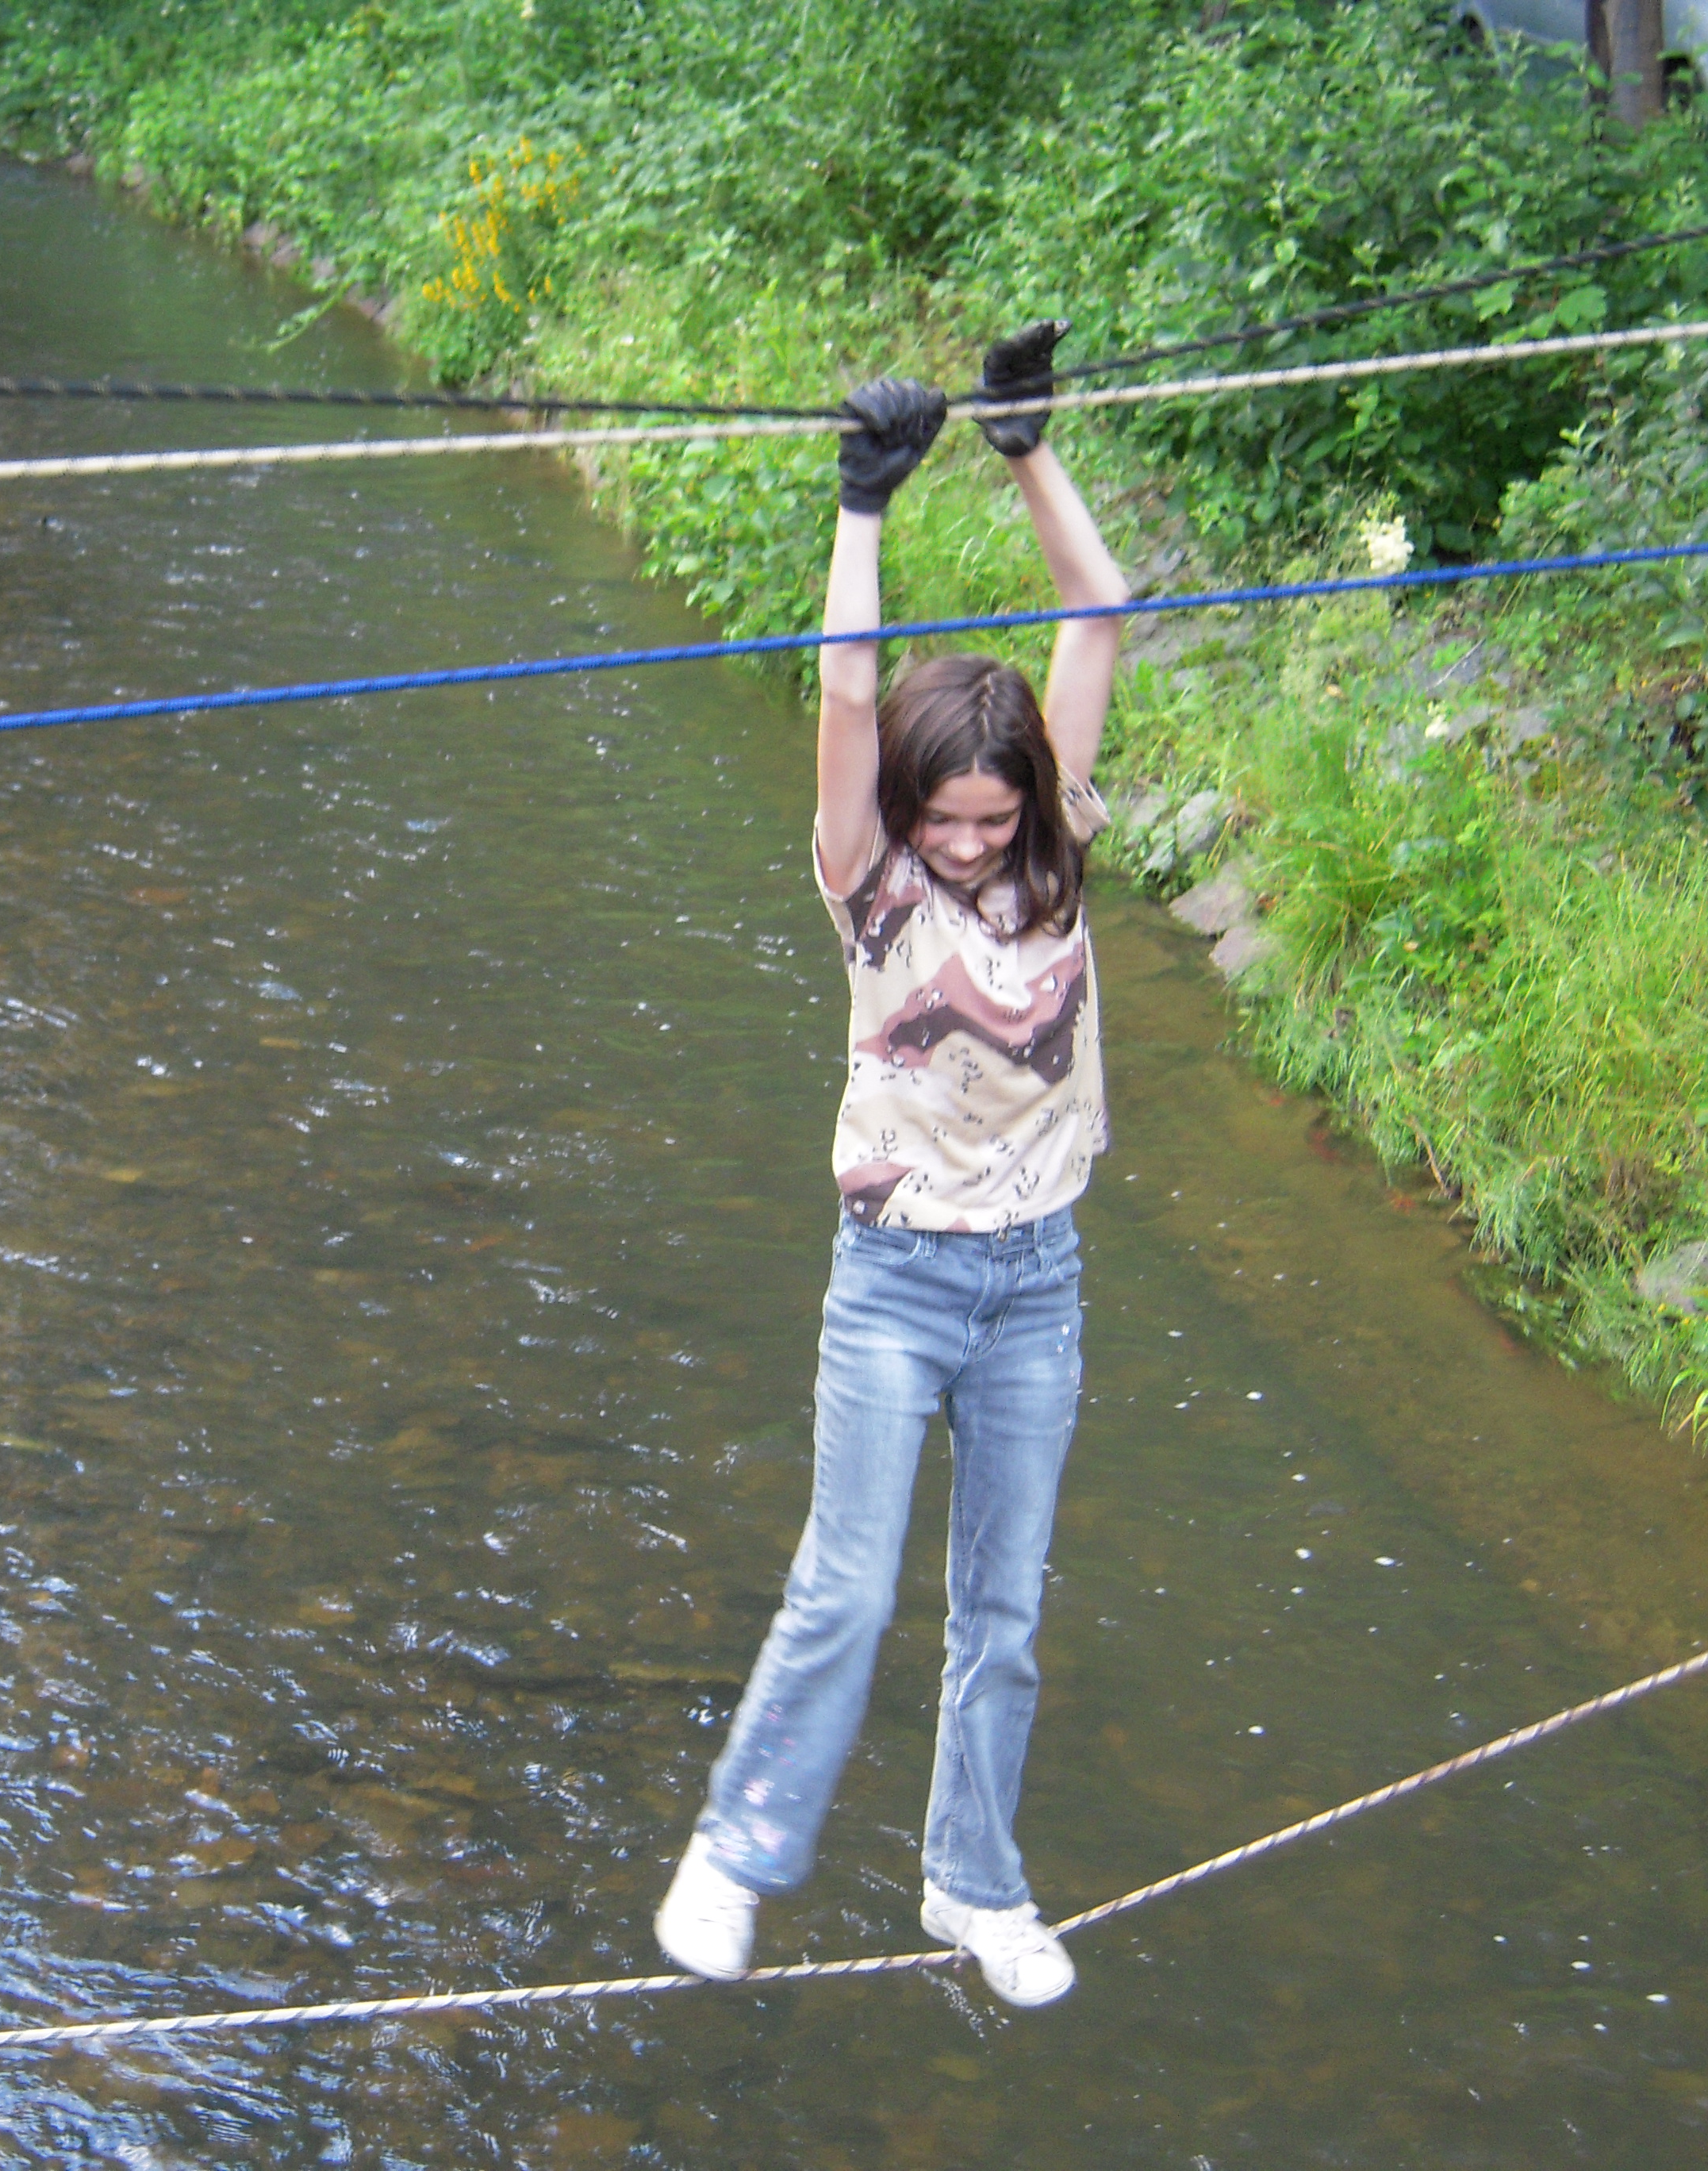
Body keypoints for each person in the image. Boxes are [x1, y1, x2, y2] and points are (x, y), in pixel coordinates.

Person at [653, 322, 1128, 2009]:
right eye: (952, 820)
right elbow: (850, 690)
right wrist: (866, 501)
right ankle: (733, 1855)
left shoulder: (1053, 855)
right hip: (899, 1283)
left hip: (1037, 1284)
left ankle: (973, 1886)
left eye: (997, 820)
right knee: (847, 1593)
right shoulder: (871, 886)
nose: (974, 845)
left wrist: (1023, 446)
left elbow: (1097, 612)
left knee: (1004, 1613)